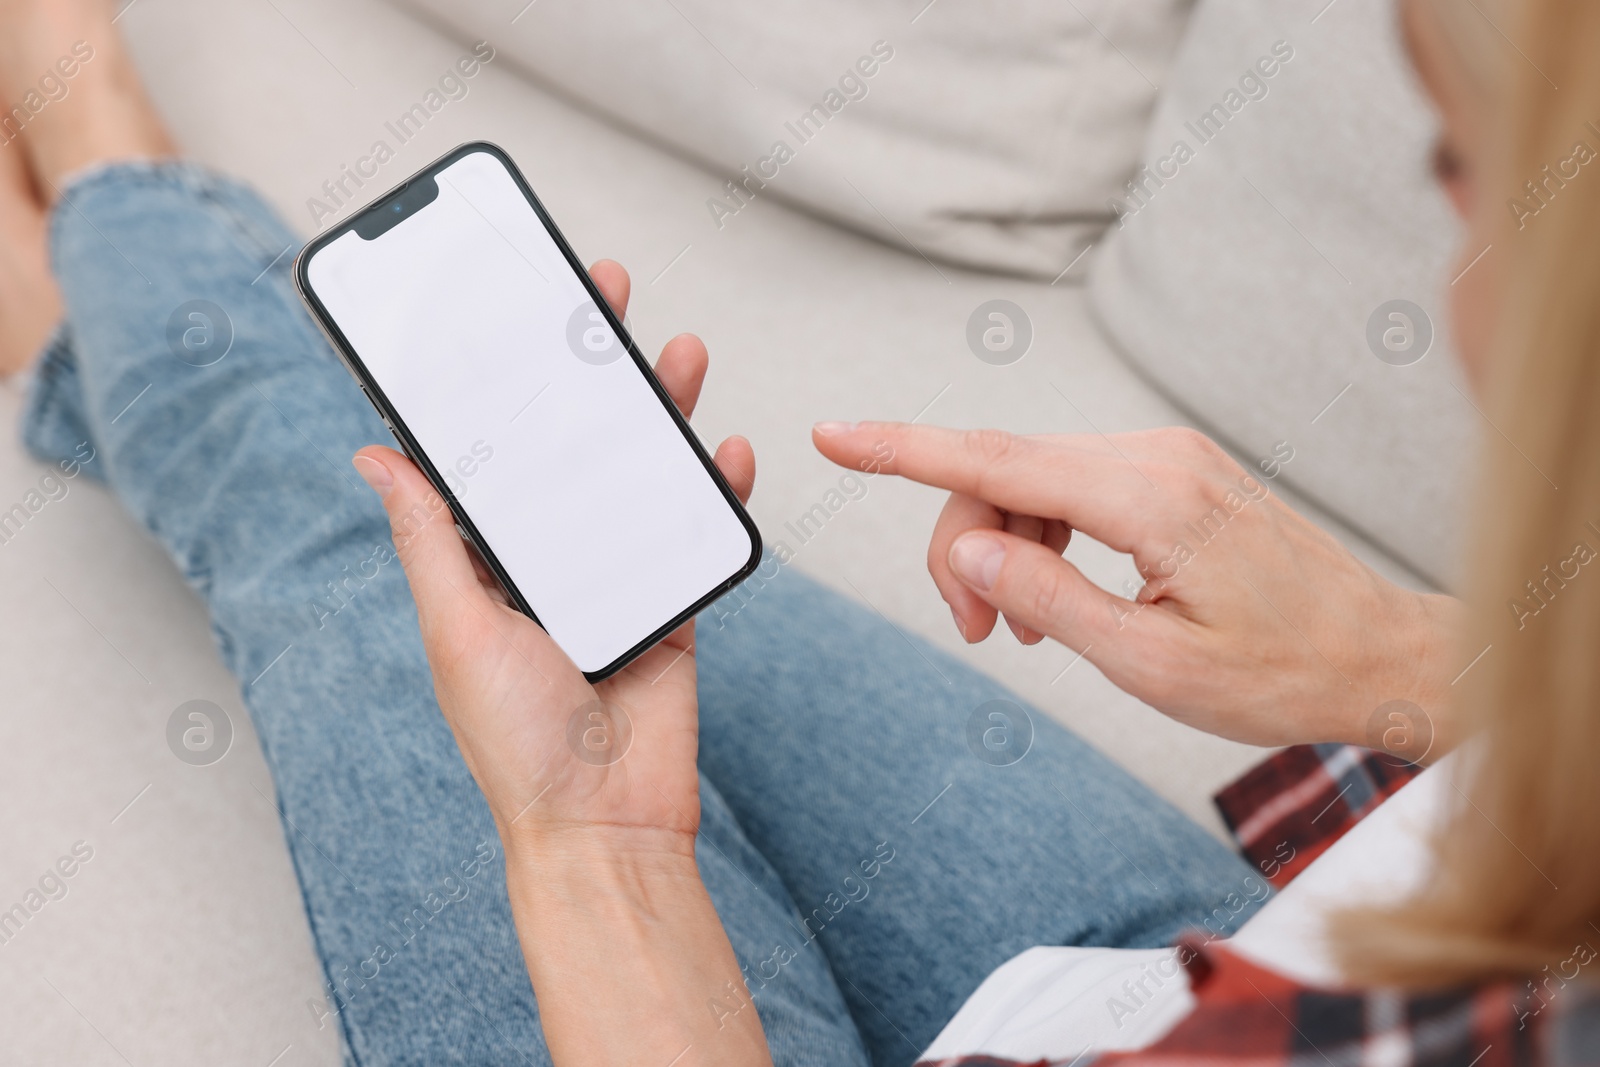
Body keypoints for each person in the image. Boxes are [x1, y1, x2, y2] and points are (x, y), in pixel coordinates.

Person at [1, 0, 1594, 1063]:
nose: (1456, 262)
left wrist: (598, 860)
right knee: (550, 551)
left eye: (1461, 170)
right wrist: (1407, 661)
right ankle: (86, 287)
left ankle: (95, 177)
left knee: (359, 542)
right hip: (1203, 979)